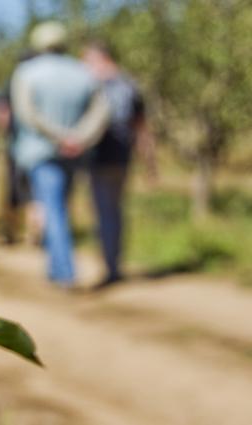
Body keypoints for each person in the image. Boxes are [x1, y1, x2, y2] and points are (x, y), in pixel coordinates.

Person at [10, 22, 110, 287]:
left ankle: (64, 272)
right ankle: (57, 268)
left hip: (41, 152)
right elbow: (101, 111)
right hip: (75, 153)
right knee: (61, 206)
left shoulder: (27, 72)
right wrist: (78, 137)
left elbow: (27, 114)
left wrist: (59, 136)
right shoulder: (84, 72)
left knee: (53, 208)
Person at [82, 43, 157, 287]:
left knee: (103, 212)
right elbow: (142, 127)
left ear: (100, 58)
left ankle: (111, 267)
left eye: (87, 60)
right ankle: (114, 263)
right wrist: (150, 164)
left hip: (99, 159)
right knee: (115, 210)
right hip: (122, 159)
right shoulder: (130, 84)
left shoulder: (93, 87)